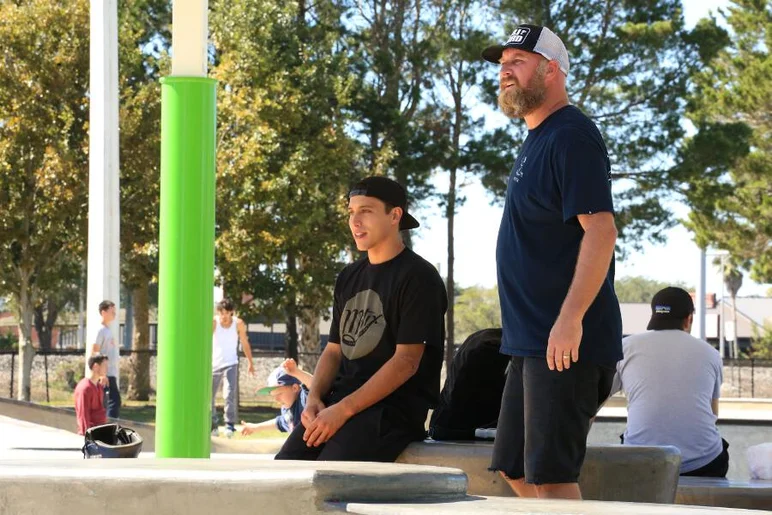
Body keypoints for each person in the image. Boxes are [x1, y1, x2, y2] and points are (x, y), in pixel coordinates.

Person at [482, 24, 623, 499]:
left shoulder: (571, 135)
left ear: (552, 69)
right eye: (502, 64)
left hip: (566, 342)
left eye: (517, 62)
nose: (505, 72)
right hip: (531, 343)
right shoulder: (537, 137)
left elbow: (601, 231)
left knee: (553, 478)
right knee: (515, 469)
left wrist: (569, 319)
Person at [274, 176, 447, 462]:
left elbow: (406, 362)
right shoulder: (348, 277)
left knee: (324, 482)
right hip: (338, 403)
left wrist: (342, 410)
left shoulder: (419, 278)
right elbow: (334, 350)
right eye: (351, 212)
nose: (355, 221)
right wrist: (315, 397)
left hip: (390, 412)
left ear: (395, 215)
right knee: (284, 473)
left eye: (366, 211)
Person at [611, 287, 729, 477]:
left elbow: (596, 398)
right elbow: (713, 411)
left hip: (641, 459)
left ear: (654, 315)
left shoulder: (626, 347)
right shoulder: (711, 353)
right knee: (715, 448)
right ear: (689, 318)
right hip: (703, 462)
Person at [212, 298, 255, 437]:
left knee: (229, 393)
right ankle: (213, 424)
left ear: (232, 313)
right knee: (209, 396)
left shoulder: (238, 324)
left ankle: (229, 425)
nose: (223, 317)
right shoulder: (214, 323)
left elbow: (245, 342)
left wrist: (250, 362)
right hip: (214, 364)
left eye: (226, 313)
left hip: (231, 363)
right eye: (221, 313)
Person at [241, 359, 312, 436]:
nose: (276, 399)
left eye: (279, 394)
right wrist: (255, 427)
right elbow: (280, 422)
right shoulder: (286, 409)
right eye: (274, 396)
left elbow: (314, 386)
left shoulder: (304, 400)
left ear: (295, 388)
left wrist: (297, 372)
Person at [91, 300, 121, 419]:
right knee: (113, 401)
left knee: (110, 402)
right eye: (111, 311)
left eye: (115, 311)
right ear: (103, 312)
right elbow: (95, 351)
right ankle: (108, 428)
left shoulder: (108, 330)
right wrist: (101, 374)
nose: (114, 314)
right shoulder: (100, 330)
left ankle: (106, 425)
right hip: (105, 374)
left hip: (110, 372)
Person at [75, 354, 108, 435]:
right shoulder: (85, 388)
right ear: (96, 366)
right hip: (90, 435)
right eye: (104, 366)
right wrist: (86, 435)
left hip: (99, 433)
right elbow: (83, 414)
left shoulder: (99, 387)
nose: (107, 369)